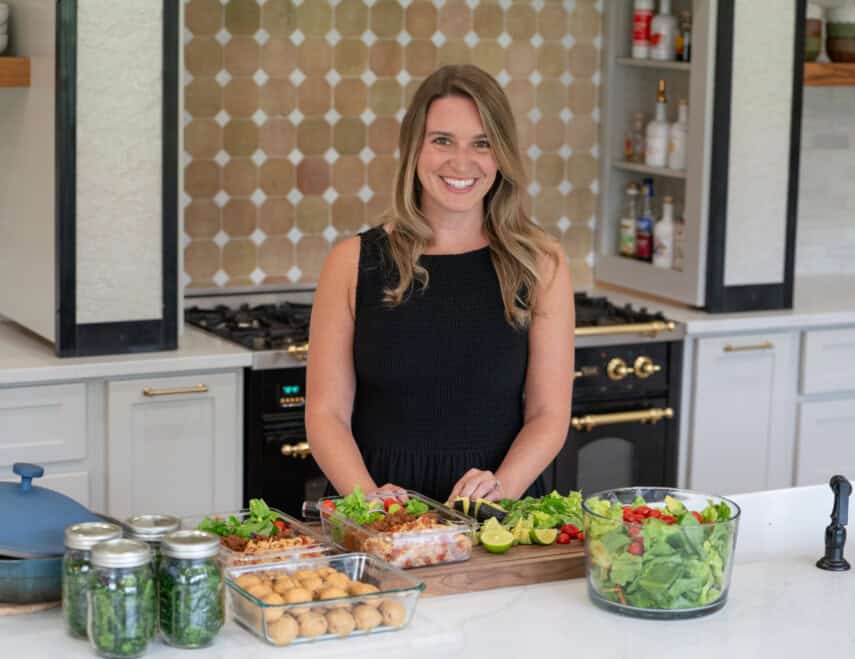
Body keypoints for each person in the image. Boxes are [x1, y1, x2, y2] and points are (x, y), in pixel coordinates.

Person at [305, 64, 574, 504]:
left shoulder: (542, 263)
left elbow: (548, 415)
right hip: (380, 508)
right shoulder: (351, 263)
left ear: (502, 154)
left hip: (498, 510)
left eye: (482, 144)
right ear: (415, 148)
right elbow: (325, 413)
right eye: (442, 140)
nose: (461, 162)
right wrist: (369, 500)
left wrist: (499, 489)